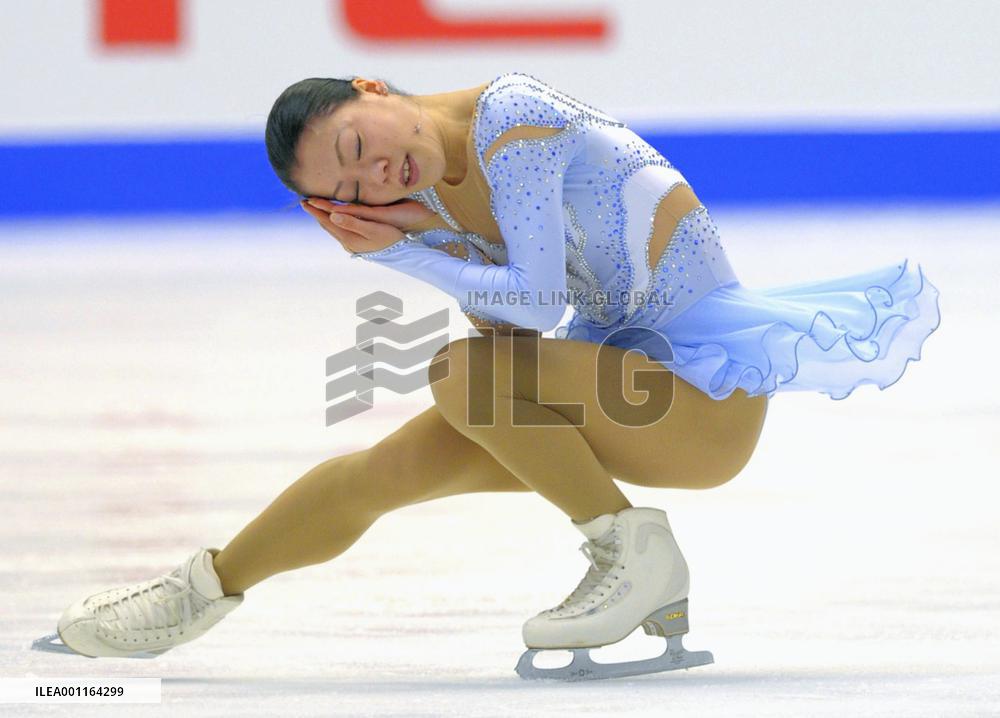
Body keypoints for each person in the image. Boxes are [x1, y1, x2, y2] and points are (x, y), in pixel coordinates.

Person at [35, 72, 941, 680]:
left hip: (697, 399)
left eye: (358, 145)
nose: (374, 177)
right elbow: (513, 327)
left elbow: (538, 300)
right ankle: (199, 593)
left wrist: (398, 257)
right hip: (616, 380)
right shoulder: (415, 204)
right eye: (347, 195)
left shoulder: (513, 119)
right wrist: (409, 241)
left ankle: (633, 552)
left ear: (373, 89)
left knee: (458, 374)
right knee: (385, 471)